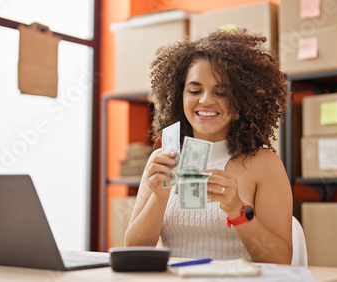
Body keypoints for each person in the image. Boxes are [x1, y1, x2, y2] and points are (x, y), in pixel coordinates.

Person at [124, 28, 293, 264]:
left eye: (221, 93)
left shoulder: (264, 165)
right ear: (179, 96)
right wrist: (159, 198)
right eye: (194, 90)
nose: (205, 100)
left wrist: (237, 210)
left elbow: (281, 261)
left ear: (241, 102)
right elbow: (132, 254)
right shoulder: (162, 161)